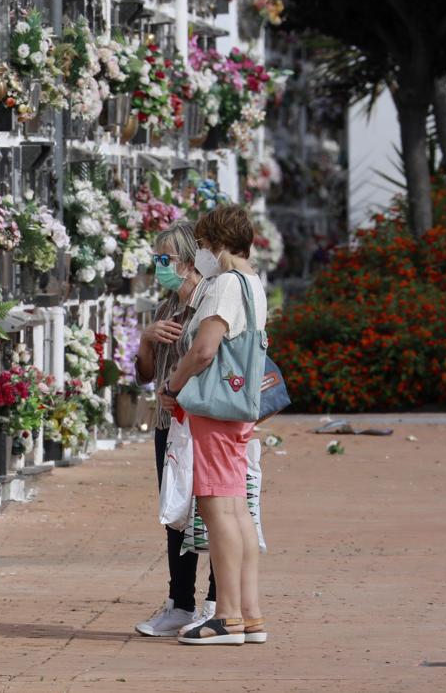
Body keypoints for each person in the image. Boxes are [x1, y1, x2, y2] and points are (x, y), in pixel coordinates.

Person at [159, 205, 269, 646]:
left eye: (203, 244)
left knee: (217, 507)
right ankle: (249, 612)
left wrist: (174, 382)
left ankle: (225, 616)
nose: (201, 252)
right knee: (238, 507)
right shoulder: (254, 284)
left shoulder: (225, 283)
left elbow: (205, 349)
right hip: (239, 406)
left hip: (214, 408)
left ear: (218, 244)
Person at [133, 220, 217, 637]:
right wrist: (147, 341)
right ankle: (179, 601)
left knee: (215, 511)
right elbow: (145, 375)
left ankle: (217, 601)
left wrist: (179, 386)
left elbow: (211, 358)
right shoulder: (166, 306)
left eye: (165, 259)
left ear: (188, 261)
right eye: (156, 259)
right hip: (168, 424)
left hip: (203, 422)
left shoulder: (209, 302)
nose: (159, 266)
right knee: (176, 513)